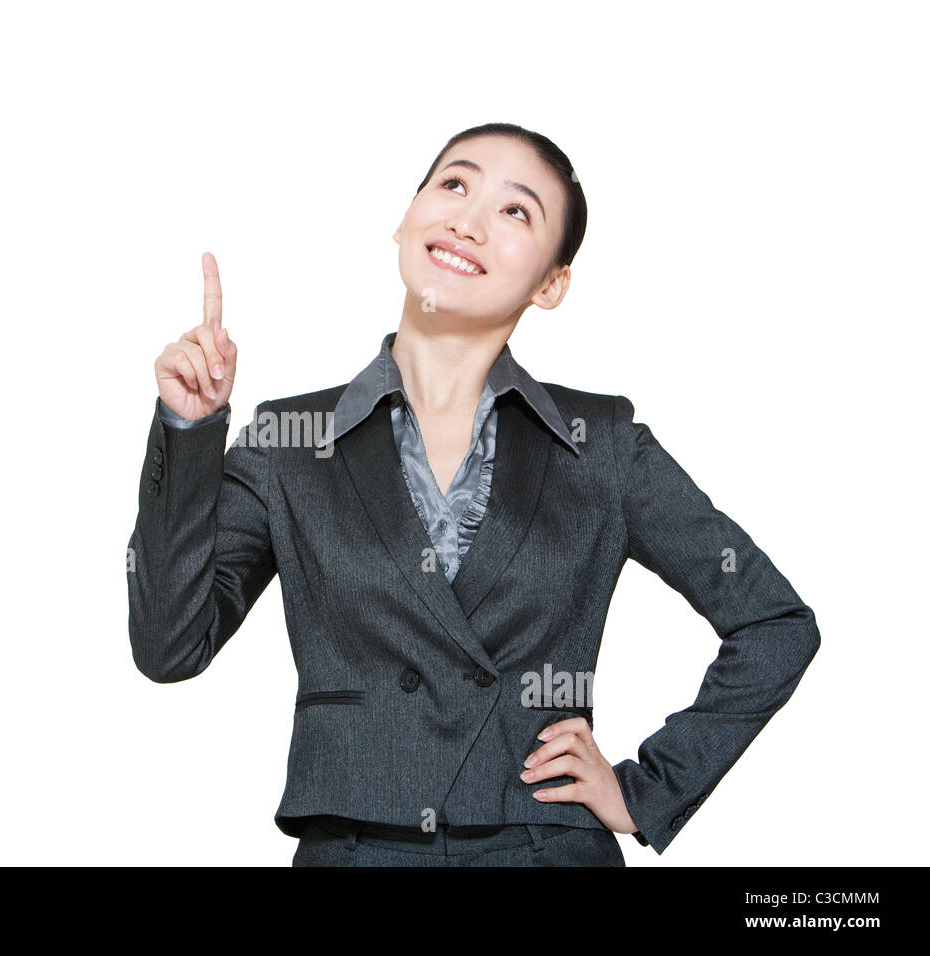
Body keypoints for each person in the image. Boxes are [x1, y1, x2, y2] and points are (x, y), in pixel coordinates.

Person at [127, 122, 820, 866]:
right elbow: (170, 646)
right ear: (406, 218)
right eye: (454, 184)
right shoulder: (289, 439)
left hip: (540, 845)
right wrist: (189, 430)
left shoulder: (603, 444)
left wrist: (649, 788)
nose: (468, 219)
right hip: (358, 850)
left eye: (516, 211)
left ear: (551, 283)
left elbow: (775, 623)